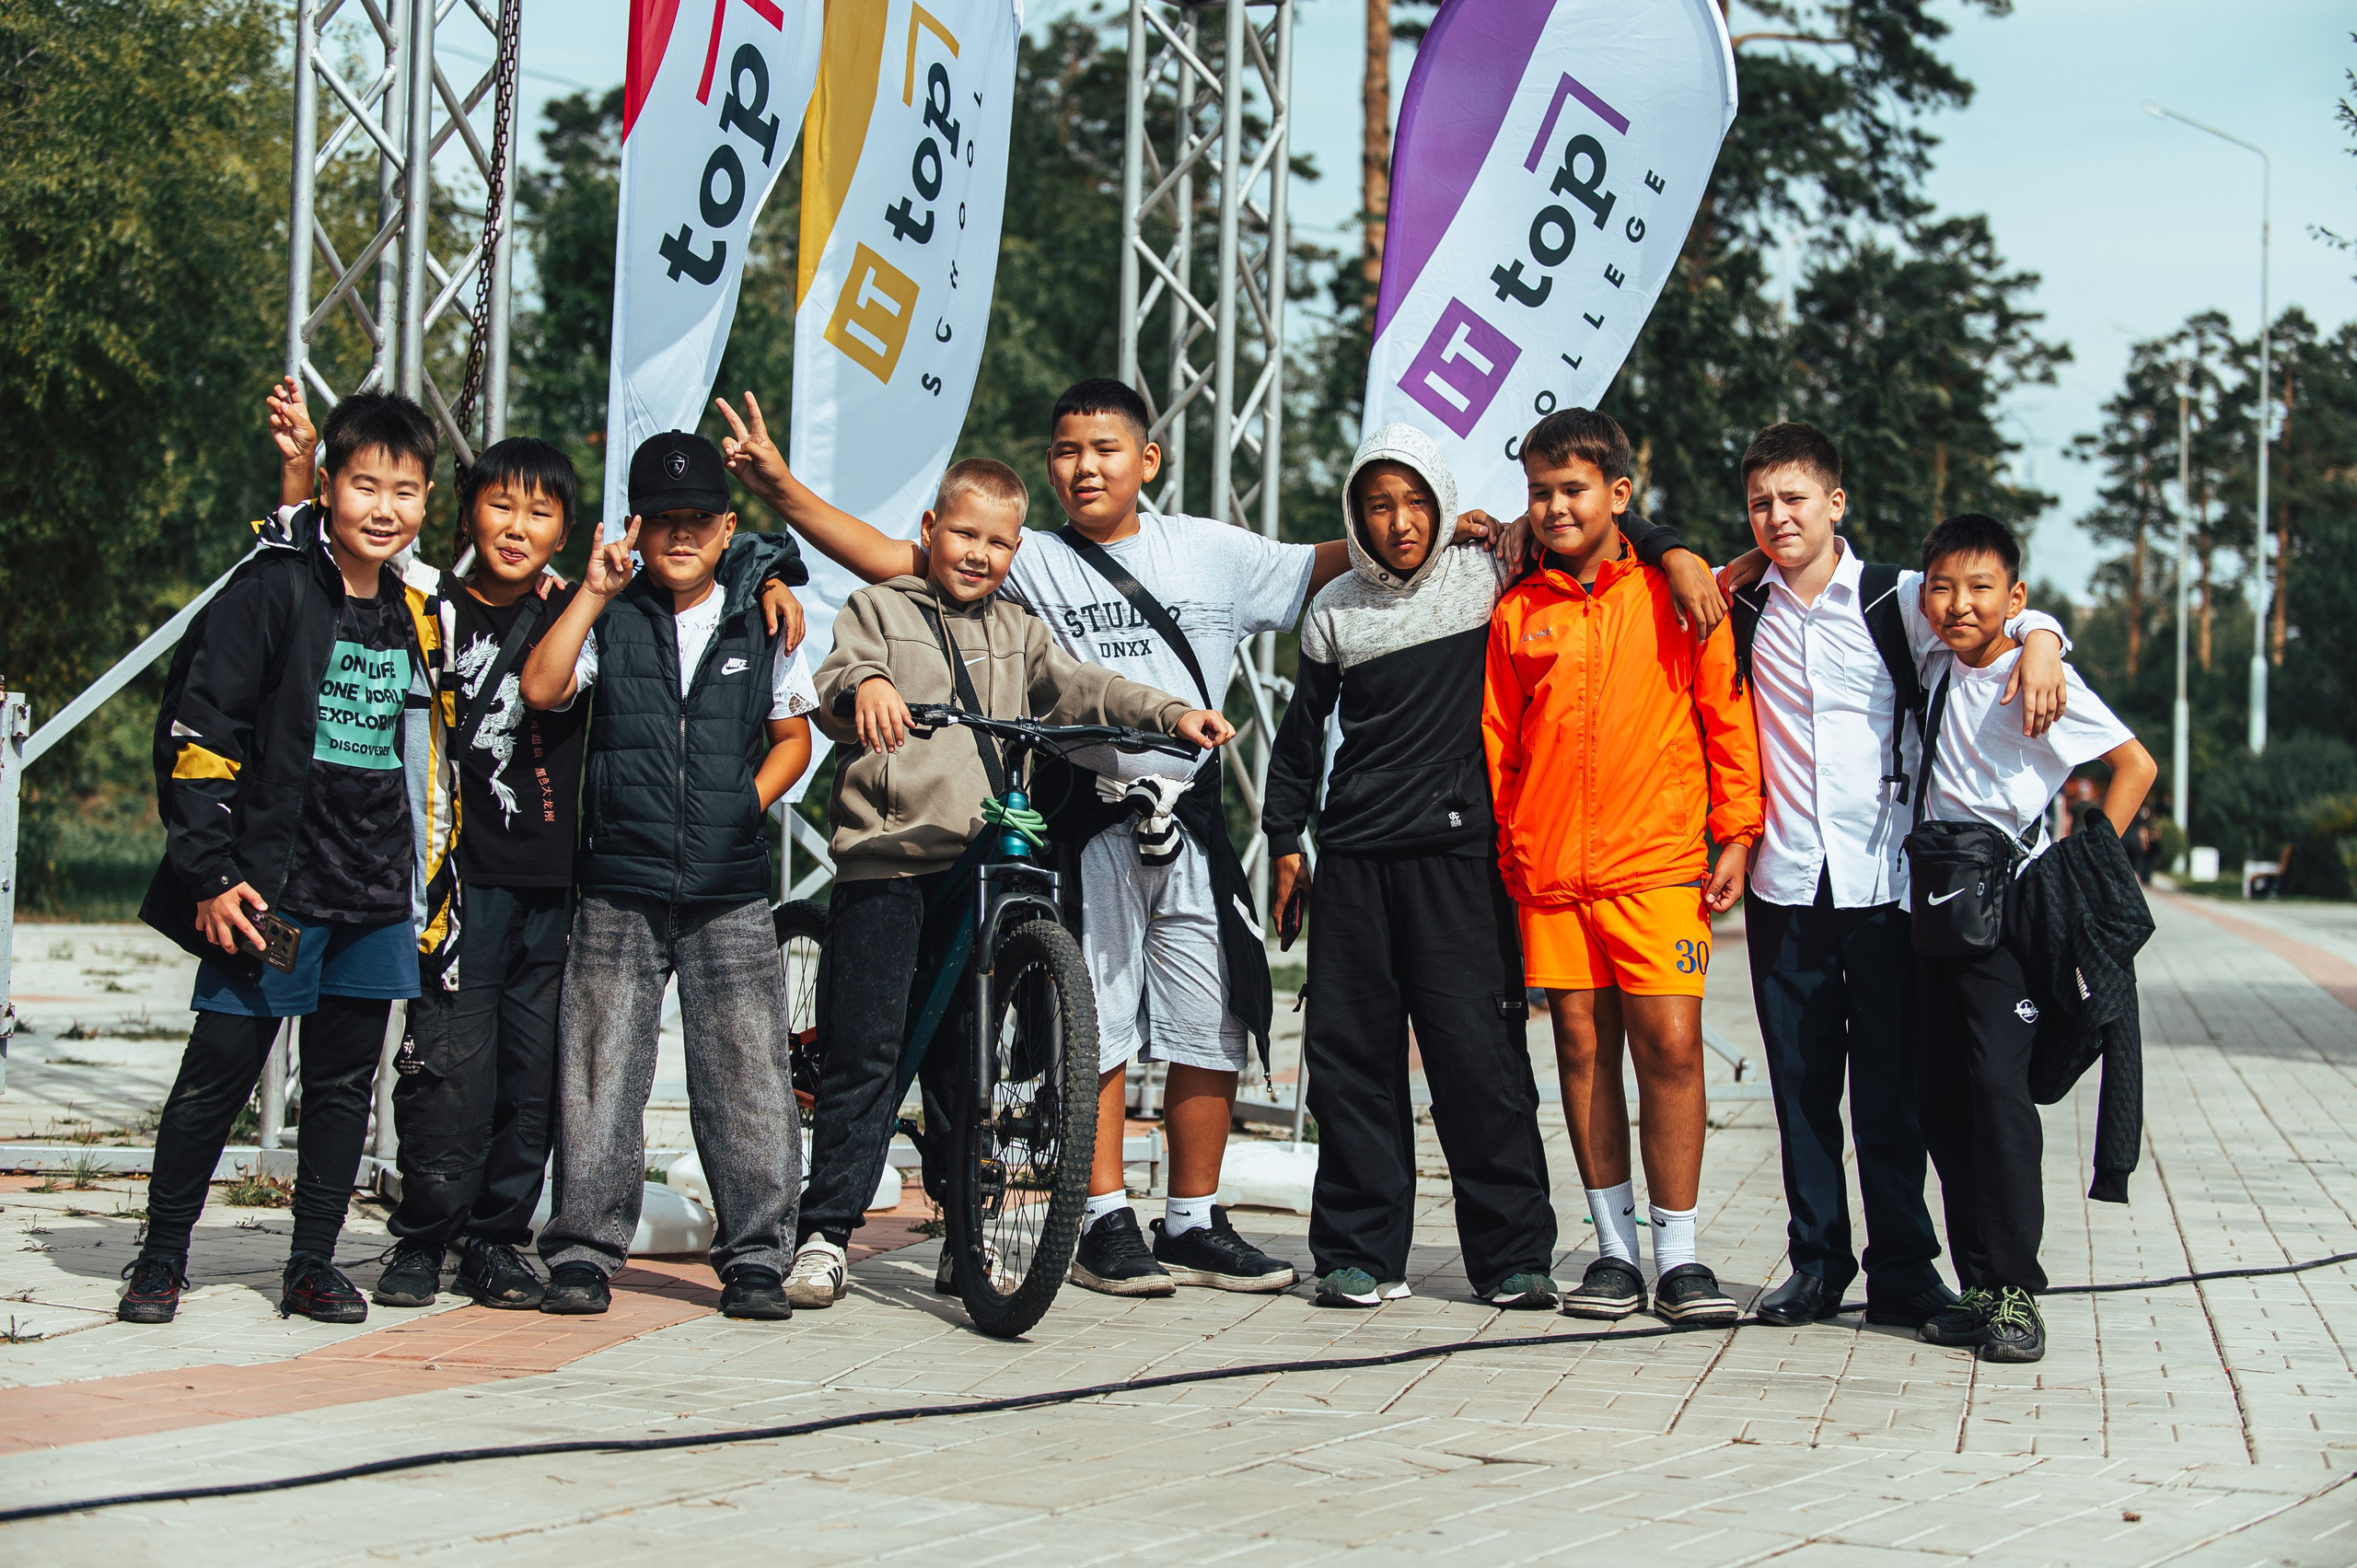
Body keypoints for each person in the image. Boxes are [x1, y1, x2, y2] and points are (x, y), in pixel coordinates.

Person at [713, 381, 1409, 1298]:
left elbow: (1323, 562)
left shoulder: (1204, 550)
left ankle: (1191, 1219)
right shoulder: (1024, 560)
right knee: (1087, 1020)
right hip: (1074, 820)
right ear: (1047, 467)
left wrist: (1447, 529)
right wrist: (778, 488)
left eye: (1106, 449)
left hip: (1182, 819)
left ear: (1147, 460)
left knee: (1205, 1018)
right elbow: (886, 565)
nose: (1086, 467)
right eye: (1068, 451)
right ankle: (1095, 1217)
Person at [1263, 423, 1722, 1311]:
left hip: (1460, 858)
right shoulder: (1333, 609)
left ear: (1442, 503)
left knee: (1480, 1058)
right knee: (1350, 1059)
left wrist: (1673, 550)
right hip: (1355, 859)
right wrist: (1287, 838)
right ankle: (1359, 1251)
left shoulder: (1488, 577)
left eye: (1416, 502)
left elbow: (1592, 518)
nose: (1400, 522)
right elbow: (1301, 734)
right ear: (1356, 515)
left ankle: (1511, 1254)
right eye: (1378, 505)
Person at [785, 459, 1233, 1307]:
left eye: (997, 542)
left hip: (979, 871)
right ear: (929, 530)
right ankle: (825, 1233)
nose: (977, 553)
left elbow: (1084, 687)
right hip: (890, 856)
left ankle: (964, 1234)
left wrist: (1172, 713)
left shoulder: (1021, 631)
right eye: (963, 533)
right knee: (868, 1051)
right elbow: (840, 678)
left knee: (967, 1061)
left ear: (1015, 550)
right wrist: (870, 685)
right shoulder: (882, 608)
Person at [1718, 422, 2071, 1331]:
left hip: (1888, 887)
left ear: (1835, 502)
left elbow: (1990, 611)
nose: (1777, 516)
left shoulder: (1897, 596)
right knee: (1800, 1088)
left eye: (1795, 498)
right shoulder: (1743, 602)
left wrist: (2042, 638)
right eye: (1760, 503)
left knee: (1892, 1092)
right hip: (1785, 882)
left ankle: (1905, 1270)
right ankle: (1816, 1263)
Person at [122, 389, 449, 1327]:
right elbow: (200, 733)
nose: (384, 508)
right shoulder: (272, 588)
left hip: (374, 889)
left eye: (405, 491)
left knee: (345, 1086)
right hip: (272, 892)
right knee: (219, 1071)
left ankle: (311, 1263)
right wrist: (212, 872)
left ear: (426, 501)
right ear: (329, 486)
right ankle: (162, 1254)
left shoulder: (420, 608)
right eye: (365, 486)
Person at [519, 431, 816, 1322]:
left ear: (726, 526)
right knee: (600, 1071)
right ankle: (582, 1251)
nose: (680, 535)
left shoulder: (762, 617)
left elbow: (794, 737)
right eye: (662, 520)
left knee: (747, 1073)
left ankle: (756, 1256)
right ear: (637, 528)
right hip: (619, 877)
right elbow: (541, 688)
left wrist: (742, 804)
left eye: (698, 519)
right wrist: (591, 592)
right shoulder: (610, 614)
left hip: (730, 885)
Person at [1484, 408, 1762, 1325]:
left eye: (1573, 489)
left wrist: (1736, 832)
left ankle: (1680, 1257)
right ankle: (1613, 1253)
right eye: (1539, 492)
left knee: (1671, 1048)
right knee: (1581, 1049)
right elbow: (1500, 746)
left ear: (1619, 493)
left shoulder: (1679, 592)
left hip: (1659, 864)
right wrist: (1513, 852)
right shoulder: (1518, 609)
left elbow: (1726, 719)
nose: (1555, 507)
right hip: (1553, 874)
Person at [1903, 512, 2154, 1365]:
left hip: (2008, 918)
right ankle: (1977, 1285)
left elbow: (2136, 764)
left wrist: (2089, 865)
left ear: (2013, 597)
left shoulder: (2034, 672)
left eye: (1980, 589)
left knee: (1998, 1095)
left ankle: (2017, 1291)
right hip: (1934, 912)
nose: (1958, 604)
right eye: (1944, 588)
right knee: (1943, 1097)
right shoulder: (1936, 656)